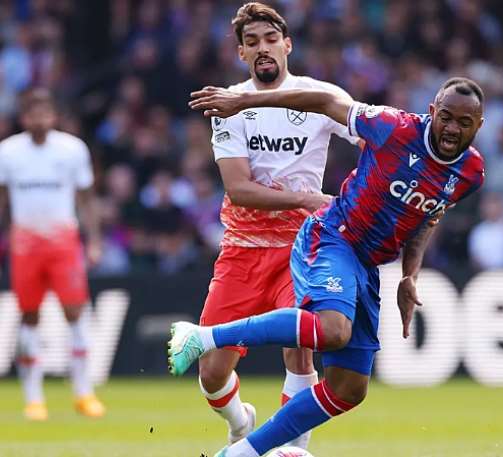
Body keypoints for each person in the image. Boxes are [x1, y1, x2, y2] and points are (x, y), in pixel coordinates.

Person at [171, 76, 486, 457]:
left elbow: (427, 217)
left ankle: (240, 454)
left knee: (350, 387)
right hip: (334, 236)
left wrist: (409, 274)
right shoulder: (393, 126)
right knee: (333, 330)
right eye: (446, 117)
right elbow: (322, 101)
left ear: (478, 126)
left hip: (368, 263)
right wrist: (243, 103)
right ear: (432, 112)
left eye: (463, 123)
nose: (452, 129)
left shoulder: (471, 173)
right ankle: (204, 337)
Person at [188, 2, 358, 448]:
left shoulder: (319, 95)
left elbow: (372, 136)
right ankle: (241, 423)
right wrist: (310, 197)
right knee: (211, 372)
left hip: (303, 247)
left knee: (300, 351)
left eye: (269, 39)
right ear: (241, 53)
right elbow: (240, 189)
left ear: (287, 45)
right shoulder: (230, 104)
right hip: (243, 247)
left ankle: (292, 448)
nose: (261, 48)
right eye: (251, 42)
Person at [0, 88, 104, 421]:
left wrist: (95, 240)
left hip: (63, 243)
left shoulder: (72, 149)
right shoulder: (8, 152)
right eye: (32, 113)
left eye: (44, 112)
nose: (39, 119)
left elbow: (86, 199)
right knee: (29, 316)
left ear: (54, 116)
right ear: (24, 117)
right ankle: (34, 398)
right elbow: (2, 199)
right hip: (24, 244)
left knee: (75, 312)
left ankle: (83, 392)